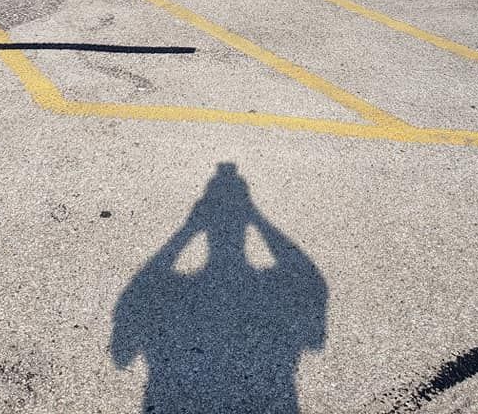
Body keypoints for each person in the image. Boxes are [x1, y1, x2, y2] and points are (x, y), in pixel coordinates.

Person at [111, 162, 327, 413]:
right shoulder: (269, 290)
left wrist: (188, 229)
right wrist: (257, 219)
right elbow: (309, 281)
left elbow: (122, 351)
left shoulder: (178, 294)